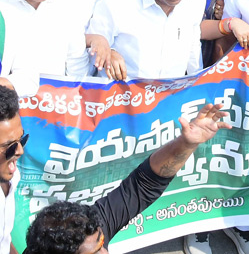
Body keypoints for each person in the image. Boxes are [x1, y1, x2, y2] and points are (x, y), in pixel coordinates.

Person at [23, 101, 232, 254]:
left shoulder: (91, 226)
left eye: (101, 243)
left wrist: (187, 143)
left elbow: (144, 185)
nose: (105, 252)